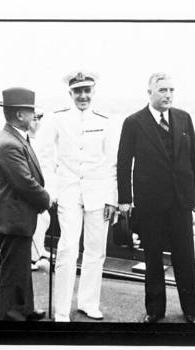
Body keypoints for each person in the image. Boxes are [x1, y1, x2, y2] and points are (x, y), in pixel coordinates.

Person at [117, 73, 195, 323]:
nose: (168, 95)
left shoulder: (183, 118)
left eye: (171, 90)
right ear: (150, 92)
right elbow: (123, 163)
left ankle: (190, 309)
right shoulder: (133, 122)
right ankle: (155, 310)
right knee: (153, 258)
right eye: (162, 90)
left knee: (185, 257)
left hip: (181, 201)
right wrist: (125, 199)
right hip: (150, 203)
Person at [39, 71, 118, 322]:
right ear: (70, 93)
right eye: (78, 91)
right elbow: (45, 157)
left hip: (98, 194)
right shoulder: (57, 119)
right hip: (69, 192)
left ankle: (88, 303)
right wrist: (51, 190)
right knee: (67, 248)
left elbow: (112, 164)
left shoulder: (105, 121)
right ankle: (61, 309)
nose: (83, 95)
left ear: (94, 92)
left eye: (87, 90)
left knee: (96, 251)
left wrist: (111, 199)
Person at [0, 87, 52, 321]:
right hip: (11, 219)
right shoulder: (9, 143)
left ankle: (25, 308)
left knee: (22, 268)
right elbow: (24, 183)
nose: (34, 116)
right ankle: (9, 317)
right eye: (30, 111)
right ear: (19, 115)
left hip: (18, 217)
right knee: (13, 272)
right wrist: (46, 199)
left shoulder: (16, 137)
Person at [27, 113, 52, 272]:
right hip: (31, 188)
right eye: (34, 119)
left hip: (42, 186)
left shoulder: (41, 141)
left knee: (45, 218)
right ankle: (31, 258)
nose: (37, 123)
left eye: (38, 119)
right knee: (34, 222)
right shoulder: (25, 141)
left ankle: (40, 250)